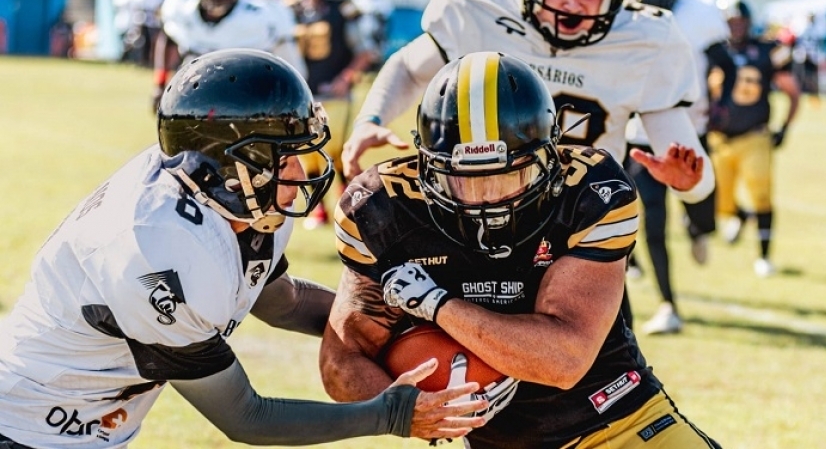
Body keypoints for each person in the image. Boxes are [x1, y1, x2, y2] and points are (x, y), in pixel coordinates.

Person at [0, 48, 488, 448]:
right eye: (288, 158)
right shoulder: (157, 253)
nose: (304, 172)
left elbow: (283, 302)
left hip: (92, 423)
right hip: (29, 426)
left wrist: (400, 317)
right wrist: (389, 415)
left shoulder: (229, 200)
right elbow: (247, 418)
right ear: (233, 170)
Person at [320, 51, 722, 449]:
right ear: (427, 166)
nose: (487, 200)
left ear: (550, 158)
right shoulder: (380, 207)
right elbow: (342, 362)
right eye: (465, 180)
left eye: (508, 176)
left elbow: (563, 360)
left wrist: (437, 305)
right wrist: (406, 411)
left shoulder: (589, 192)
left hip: (619, 421)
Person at [339, 0, 715, 328]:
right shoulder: (480, 2)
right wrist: (370, 119)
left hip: (576, 236)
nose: (571, 4)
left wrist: (691, 183)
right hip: (468, 223)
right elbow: (409, 65)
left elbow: (689, 162)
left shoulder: (649, 38)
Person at [625, 0, 737, 334]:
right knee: (652, 222)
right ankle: (667, 304)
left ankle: (698, 229)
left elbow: (726, 64)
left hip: (690, 130)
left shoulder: (698, 15)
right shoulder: (623, 17)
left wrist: (721, 105)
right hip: (640, 134)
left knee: (703, 207)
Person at [283, 0, 389, 229]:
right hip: (302, 94)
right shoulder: (289, 8)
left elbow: (367, 51)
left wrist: (345, 77)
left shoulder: (343, 9)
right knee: (306, 153)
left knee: (338, 152)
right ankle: (318, 210)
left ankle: (349, 206)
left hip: (335, 93)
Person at [708, 0, 800, 278]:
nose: (736, 26)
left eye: (740, 21)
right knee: (717, 204)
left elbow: (792, 91)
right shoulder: (712, 51)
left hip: (755, 134)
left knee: (761, 193)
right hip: (719, 139)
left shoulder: (767, 51)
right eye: (730, 21)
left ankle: (764, 257)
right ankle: (740, 216)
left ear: (749, 22)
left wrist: (784, 127)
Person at [151, 0, 305, 111]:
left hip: (246, 100)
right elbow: (168, 37)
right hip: (191, 95)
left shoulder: (262, 16)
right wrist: (160, 83)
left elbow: (291, 63)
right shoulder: (180, 5)